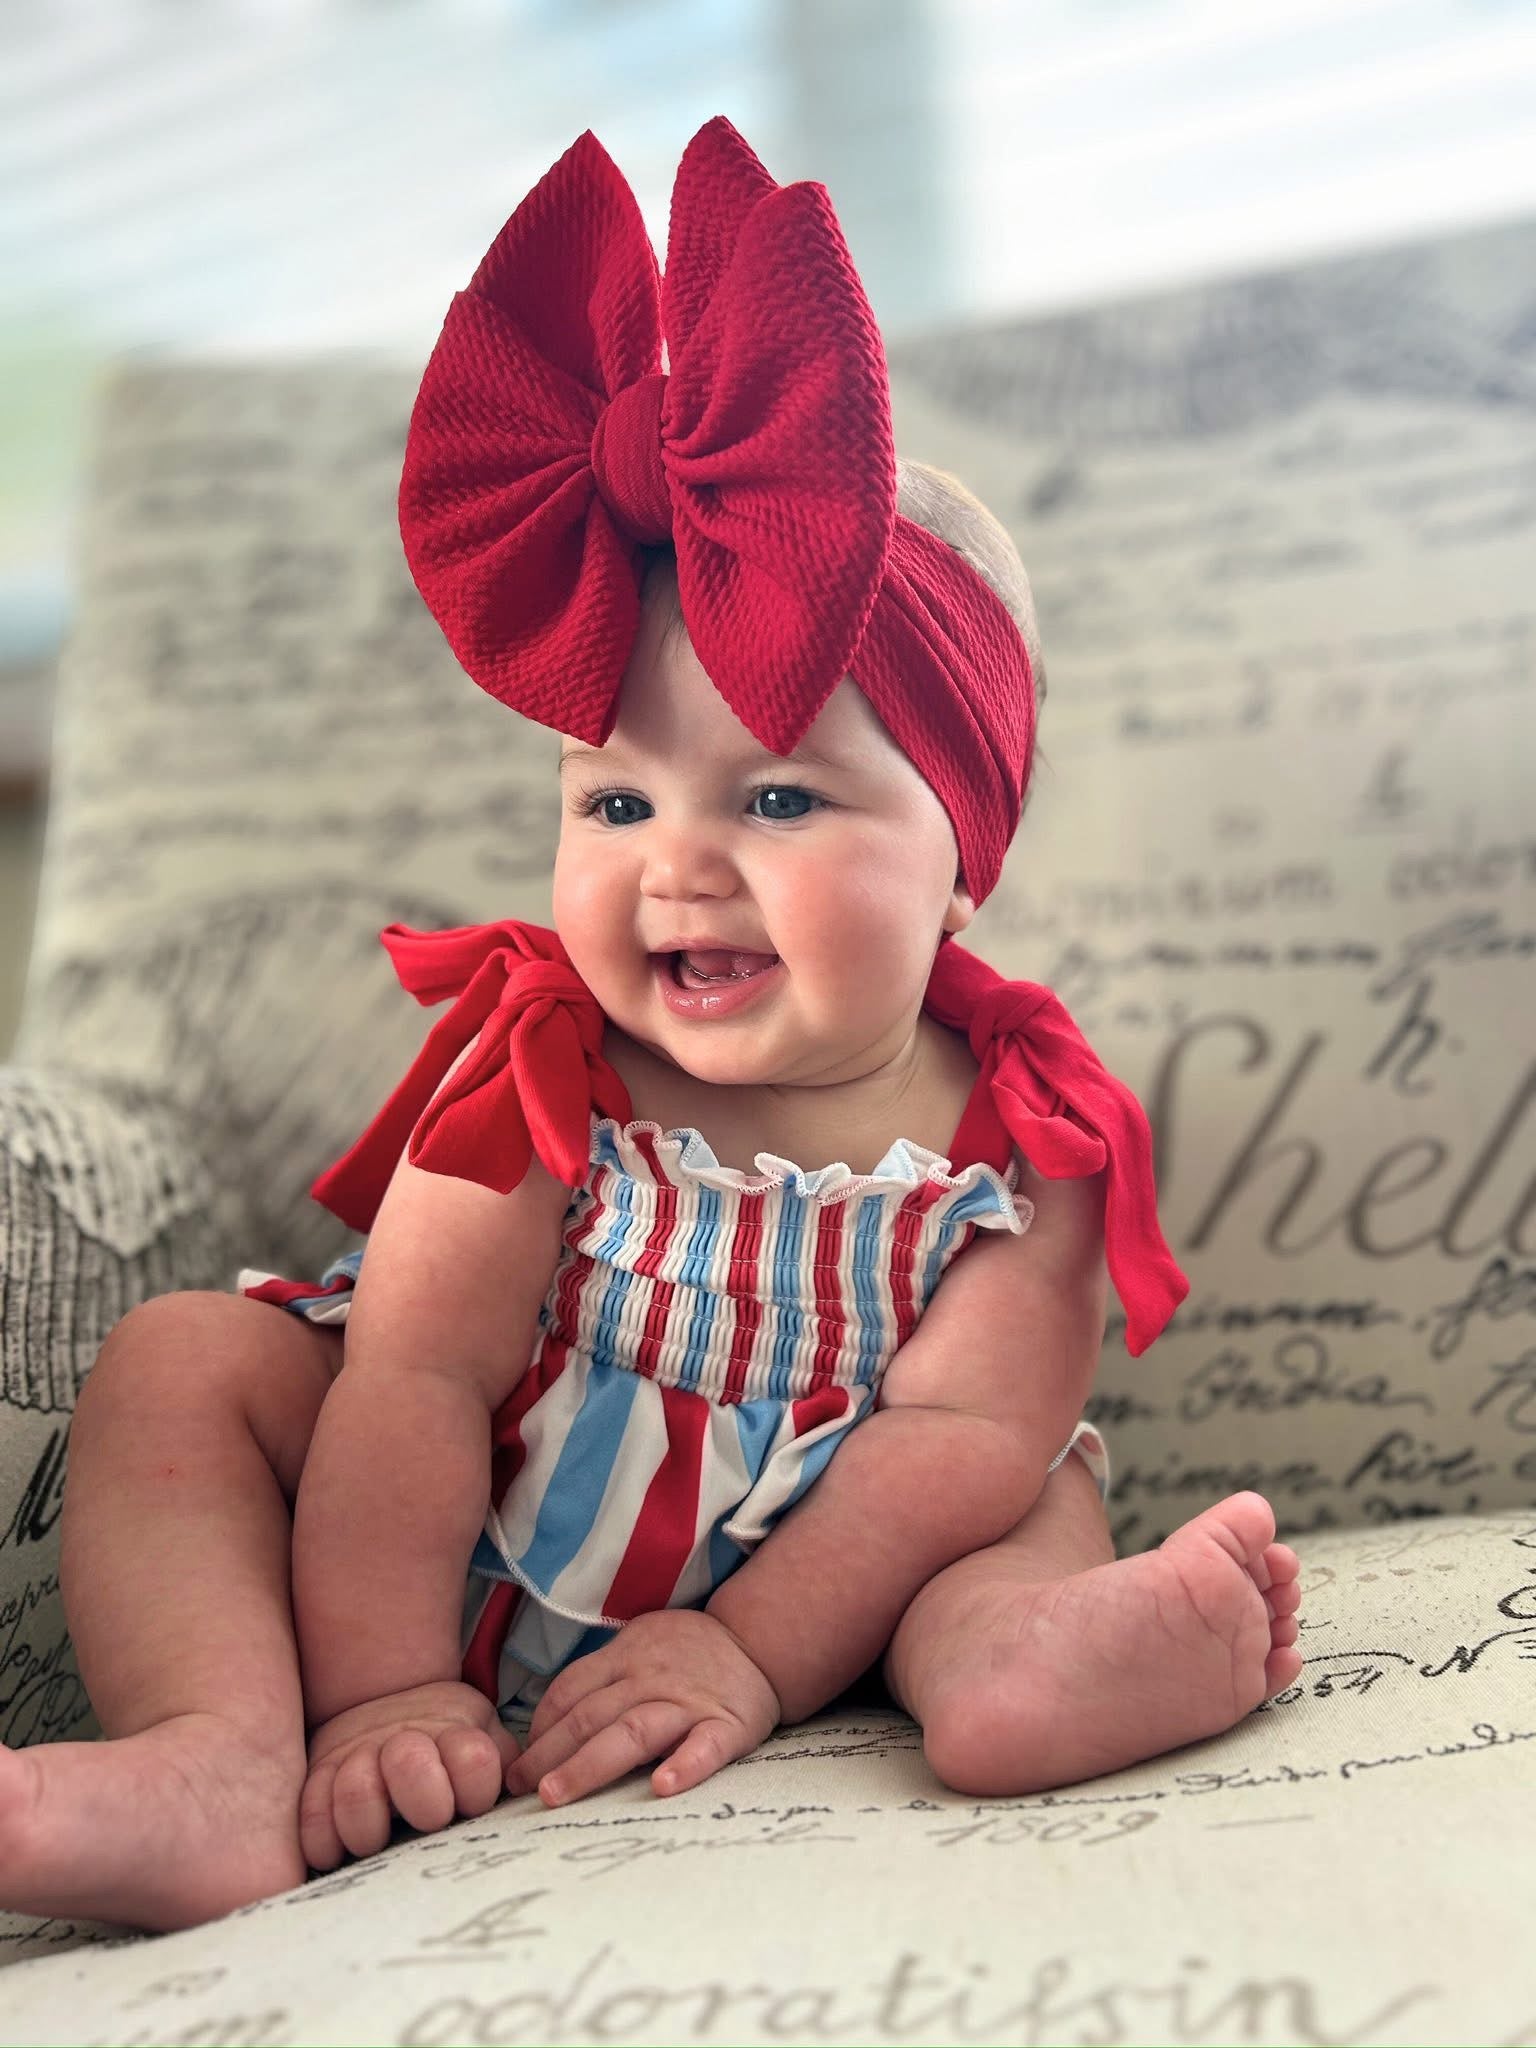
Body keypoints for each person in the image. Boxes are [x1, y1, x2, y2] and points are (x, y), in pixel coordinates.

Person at [0, 120, 1301, 1934]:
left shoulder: (1026, 1142)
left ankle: (1022, 1671)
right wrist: (379, 1692)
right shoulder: (547, 1065)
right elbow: (417, 1379)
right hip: (438, 1548)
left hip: (835, 1586)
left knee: (1017, 1509)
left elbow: (957, 1442)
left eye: (778, 800)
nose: (677, 866)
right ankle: (217, 1750)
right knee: (184, 1369)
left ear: (961, 865)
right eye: (615, 803)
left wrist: (751, 1651)